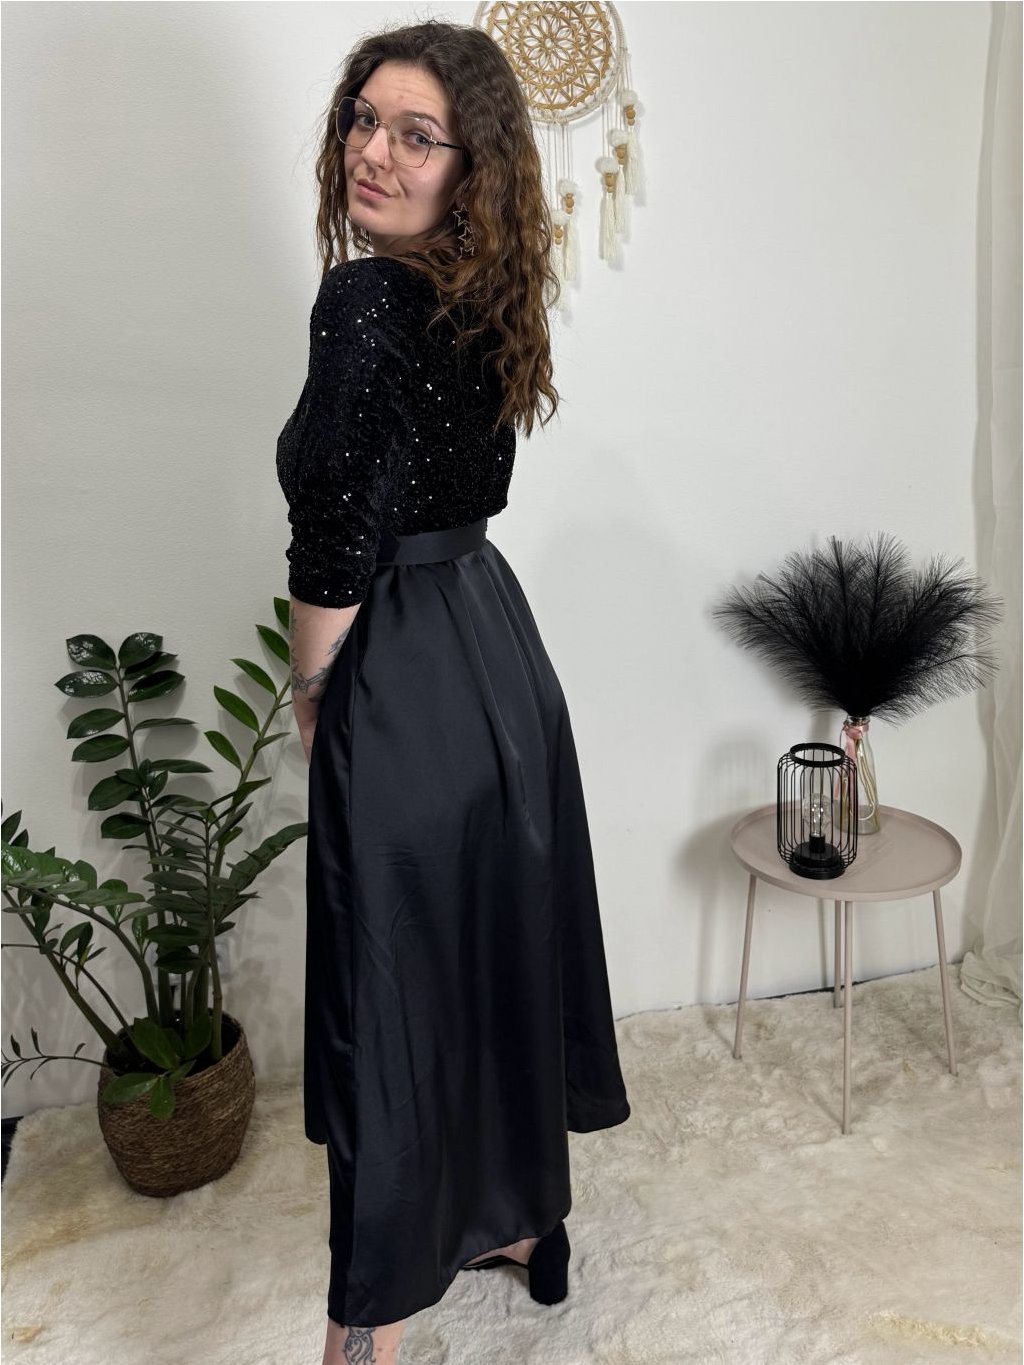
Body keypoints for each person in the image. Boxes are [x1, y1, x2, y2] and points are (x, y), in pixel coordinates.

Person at [276, 20, 631, 1365]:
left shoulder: (367, 301)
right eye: (364, 120)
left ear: (468, 166)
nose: (374, 151)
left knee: (387, 993)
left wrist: (314, 684)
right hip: (497, 655)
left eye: (415, 135)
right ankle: (527, 1228)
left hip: (405, 672)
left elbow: (336, 529)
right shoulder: (485, 290)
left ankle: (360, 1328)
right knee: (489, 952)